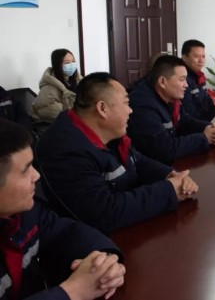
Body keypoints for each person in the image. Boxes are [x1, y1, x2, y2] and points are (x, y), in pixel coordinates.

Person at [36, 72, 199, 233]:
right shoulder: (64, 150)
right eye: (126, 103)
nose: (130, 110)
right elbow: (105, 213)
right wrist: (169, 190)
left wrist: (170, 175)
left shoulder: (109, 132)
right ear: (102, 109)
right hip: (97, 242)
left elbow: (137, 160)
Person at [0, 119, 126, 300]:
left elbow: (65, 231)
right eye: (26, 170)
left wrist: (104, 260)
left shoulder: (22, 213)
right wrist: (72, 292)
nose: (36, 176)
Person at [127, 55, 215, 164]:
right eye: (182, 80)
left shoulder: (169, 95)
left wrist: (209, 128)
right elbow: (165, 149)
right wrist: (204, 138)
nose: (186, 85)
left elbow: (184, 120)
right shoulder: (142, 105)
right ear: (162, 82)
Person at [31, 49, 81, 123]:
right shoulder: (48, 89)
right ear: (57, 65)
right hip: (55, 126)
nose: (71, 65)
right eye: (67, 63)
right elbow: (59, 116)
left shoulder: (78, 81)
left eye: (73, 61)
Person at [181, 40, 215, 121]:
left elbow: (207, 100)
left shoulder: (199, 75)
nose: (201, 60)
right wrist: (209, 124)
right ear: (185, 58)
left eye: (203, 56)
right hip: (195, 125)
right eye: (197, 56)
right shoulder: (182, 79)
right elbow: (190, 112)